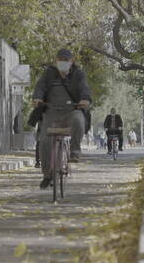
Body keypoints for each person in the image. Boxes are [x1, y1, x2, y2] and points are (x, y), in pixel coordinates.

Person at [32, 48, 92, 189]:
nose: (63, 63)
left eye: (66, 61)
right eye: (61, 60)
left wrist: (84, 99)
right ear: (56, 61)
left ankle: (75, 151)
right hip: (51, 112)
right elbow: (40, 86)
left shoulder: (78, 74)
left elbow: (84, 88)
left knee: (79, 119)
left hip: (71, 111)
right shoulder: (49, 73)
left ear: (71, 62)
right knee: (45, 143)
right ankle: (48, 175)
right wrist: (37, 98)